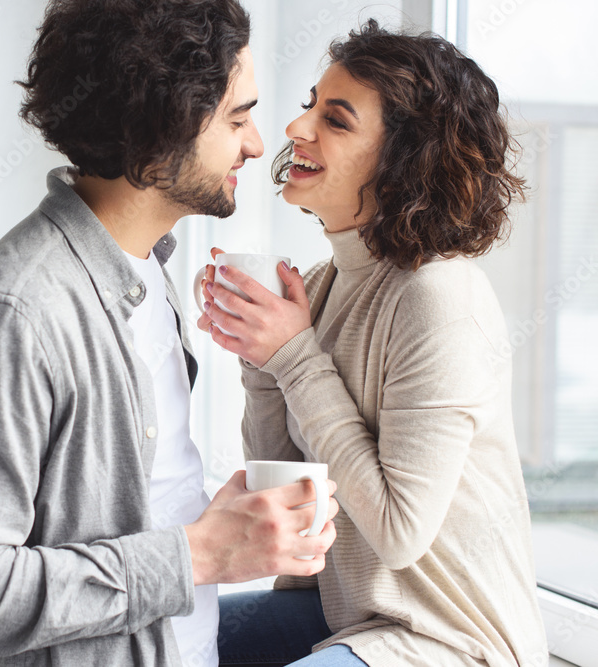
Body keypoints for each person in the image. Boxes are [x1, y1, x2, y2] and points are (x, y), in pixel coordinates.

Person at [0, 2, 339, 666]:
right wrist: (201, 551)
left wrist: (216, 533)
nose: (254, 144)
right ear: (165, 125)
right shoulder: (20, 309)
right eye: (237, 118)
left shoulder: (148, 272)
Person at [198, 19, 548, 667]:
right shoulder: (324, 286)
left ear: (402, 160)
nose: (297, 129)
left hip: (449, 640)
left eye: (336, 119)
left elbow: (398, 533)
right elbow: (286, 489)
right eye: (310, 107)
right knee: (149, 643)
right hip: (347, 613)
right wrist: (261, 358)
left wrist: (293, 356)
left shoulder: (439, 296)